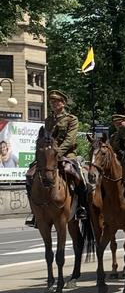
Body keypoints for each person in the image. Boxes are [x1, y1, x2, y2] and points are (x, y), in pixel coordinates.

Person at [25, 90, 88, 227]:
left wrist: (57, 154)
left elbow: (69, 140)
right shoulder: (48, 120)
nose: (53, 104)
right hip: (49, 156)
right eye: (51, 102)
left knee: (77, 175)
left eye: (56, 102)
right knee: (30, 174)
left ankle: (80, 207)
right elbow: (46, 138)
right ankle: (35, 212)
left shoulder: (72, 119)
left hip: (66, 154)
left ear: (63, 103)